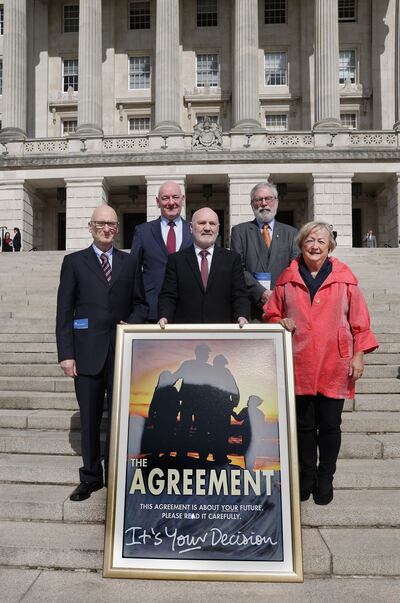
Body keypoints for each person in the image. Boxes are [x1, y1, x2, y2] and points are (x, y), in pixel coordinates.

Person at [263, 221, 378, 505]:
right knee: (302, 426)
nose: (315, 246)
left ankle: (326, 478)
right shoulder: (286, 278)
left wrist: (359, 355)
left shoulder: (345, 278)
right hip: (299, 361)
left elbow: (360, 322)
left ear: (330, 247)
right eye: (310, 240)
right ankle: (306, 477)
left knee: (329, 425)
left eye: (321, 242)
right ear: (301, 244)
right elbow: (270, 314)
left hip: (334, 362)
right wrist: (281, 321)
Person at [56, 205, 148, 501]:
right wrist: (66, 354)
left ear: (117, 228)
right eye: (100, 223)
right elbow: (64, 312)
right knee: (91, 417)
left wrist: (130, 323)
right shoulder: (74, 262)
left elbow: (141, 304)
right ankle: (92, 477)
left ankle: (117, 474)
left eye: (111, 224)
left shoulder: (130, 261)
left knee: (121, 417)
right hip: (86, 353)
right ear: (90, 226)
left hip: (120, 352)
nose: (106, 228)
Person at [158, 207, 250, 326]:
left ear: (218, 228)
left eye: (212, 224)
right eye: (202, 223)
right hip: (186, 333)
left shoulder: (232, 259)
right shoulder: (176, 260)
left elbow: (240, 295)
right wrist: (164, 317)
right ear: (191, 228)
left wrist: (242, 315)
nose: (207, 228)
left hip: (222, 332)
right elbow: (168, 296)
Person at [230, 181, 299, 320]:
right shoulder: (239, 231)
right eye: (258, 200)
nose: (263, 203)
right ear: (252, 204)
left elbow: (295, 269)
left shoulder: (291, 233)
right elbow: (238, 268)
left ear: (276, 201)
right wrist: (262, 293)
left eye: (268, 198)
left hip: (282, 307)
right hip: (251, 308)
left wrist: (278, 294)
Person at [130, 181, 192, 322]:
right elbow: (133, 272)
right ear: (157, 202)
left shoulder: (194, 230)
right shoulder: (143, 232)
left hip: (188, 309)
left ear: (182, 200)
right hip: (152, 309)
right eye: (165, 198)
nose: (171, 202)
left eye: (175, 197)